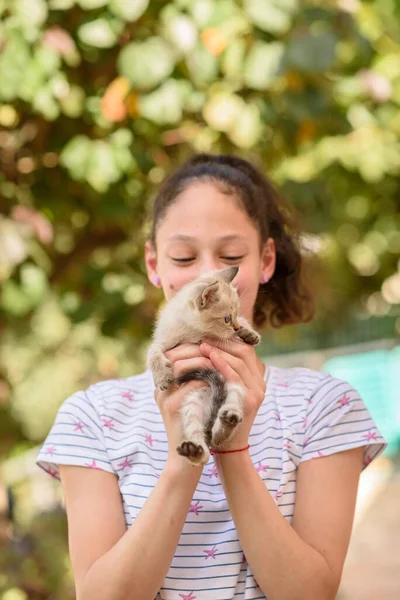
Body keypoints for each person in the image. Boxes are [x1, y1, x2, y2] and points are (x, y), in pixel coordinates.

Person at [36, 153, 386, 600]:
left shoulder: (324, 406)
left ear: (265, 261)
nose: (206, 275)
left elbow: (310, 593)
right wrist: (185, 453)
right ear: (153, 264)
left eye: (230, 256)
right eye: (183, 256)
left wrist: (232, 447)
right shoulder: (93, 417)